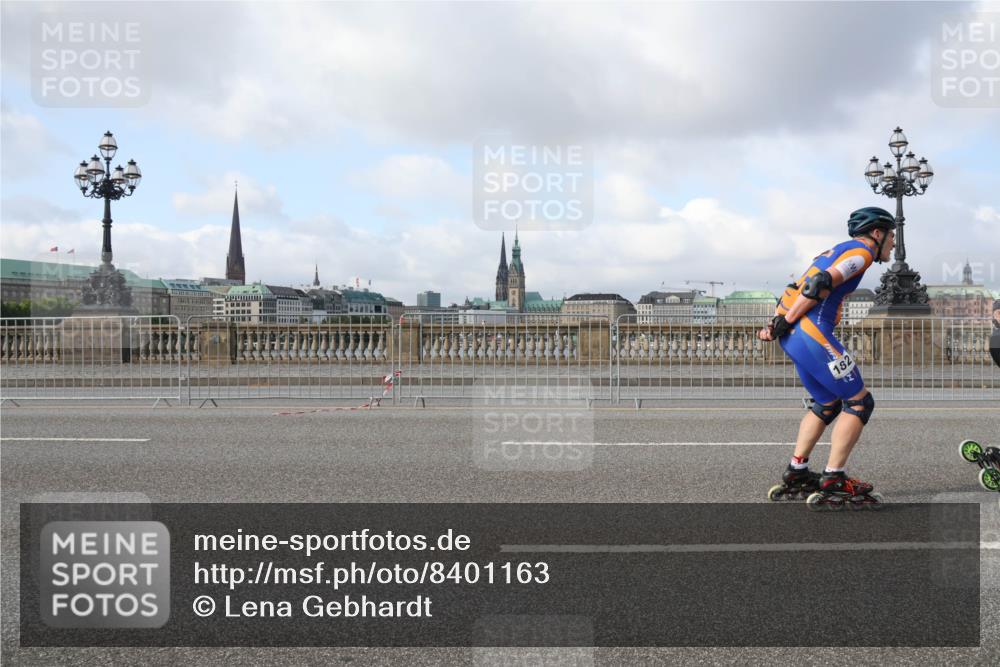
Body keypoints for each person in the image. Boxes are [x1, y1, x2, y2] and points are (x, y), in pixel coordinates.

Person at [760, 207, 896, 509]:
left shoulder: (834, 250)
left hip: (794, 337)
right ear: (877, 233)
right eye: (892, 236)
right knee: (860, 402)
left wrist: (777, 323)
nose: (894, 244)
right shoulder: (862, 253)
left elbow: (797, 287)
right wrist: (787, 320)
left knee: (827, 403)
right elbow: (819, 283)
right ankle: (834, 477)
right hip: (812, 333)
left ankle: (797, 470)